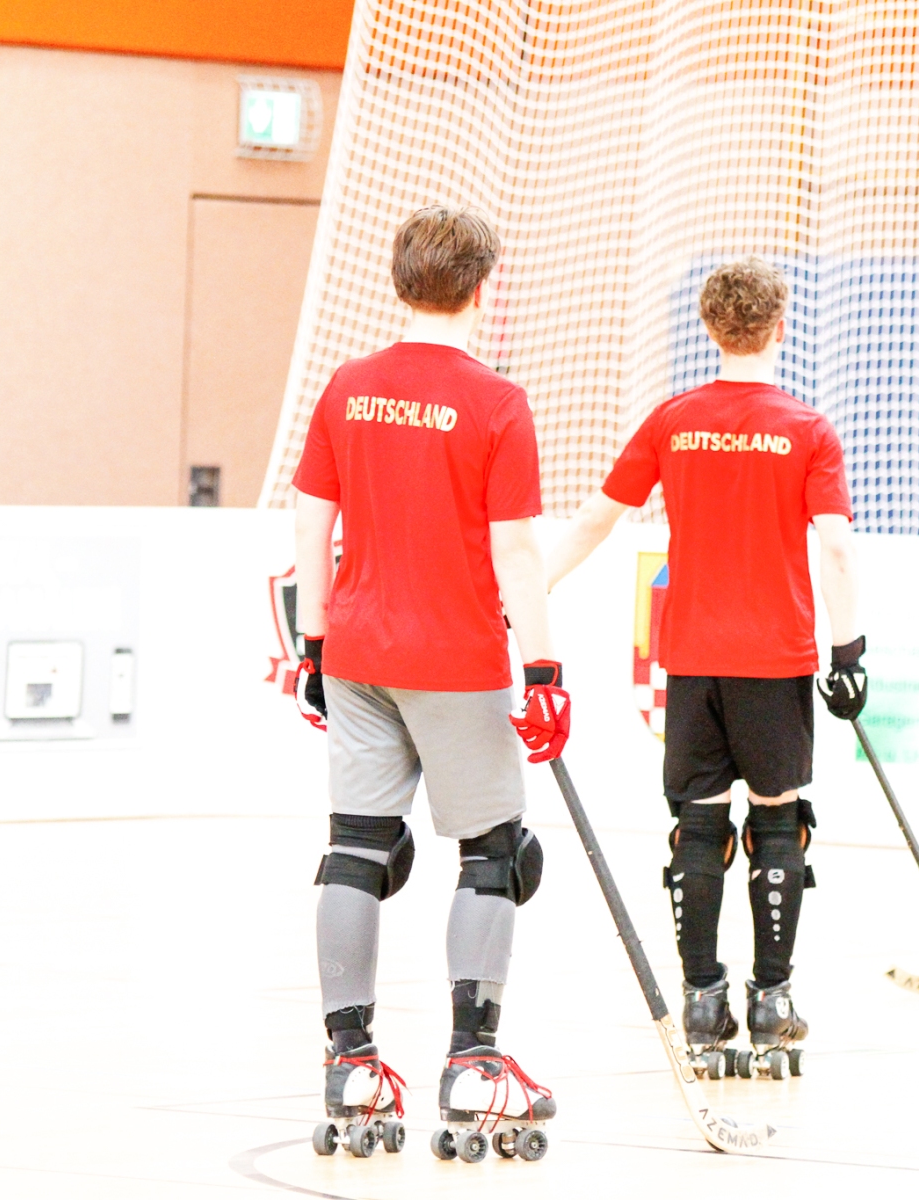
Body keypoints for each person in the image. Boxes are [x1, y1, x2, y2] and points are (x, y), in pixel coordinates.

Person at [545, 256, 864, 1078]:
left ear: (709, 328)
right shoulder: (808, 429)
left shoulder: (673, 421)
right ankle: (772, 1000)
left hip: (691, 657)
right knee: (778, 822)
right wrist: (849, 652)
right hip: (774, 659)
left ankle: (701, 1000)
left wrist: (530, 588)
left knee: (698, 824)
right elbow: (835, 547)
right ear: (781, 328)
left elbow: (596, 520)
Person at [290, 205, 566, 1153]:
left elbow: (310, 521)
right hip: (455, 660)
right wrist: (544, 671)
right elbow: (516, 552)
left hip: (357, 654)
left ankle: (351, 1062)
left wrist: (312, 645)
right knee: (495, 855)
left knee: (355, 848)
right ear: (484, 288)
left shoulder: (348, 387)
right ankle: (474, 1065)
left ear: (399, 279)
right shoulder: (497, 402)